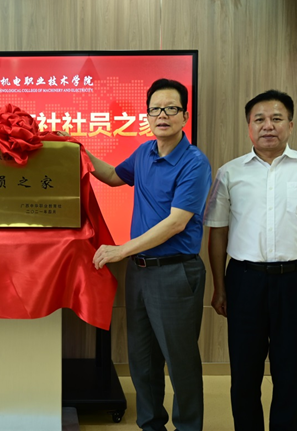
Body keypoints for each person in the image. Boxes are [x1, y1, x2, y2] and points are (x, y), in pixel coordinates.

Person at [205, 90, 297, 430]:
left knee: (291, 373)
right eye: (260, 119)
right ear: (249, 127)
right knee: (244, 374)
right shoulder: (229, 173)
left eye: (276, 118)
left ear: (290, 125)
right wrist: (220, 287)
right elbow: (217, 234)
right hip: (245, 281)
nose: (268, 126)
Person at [87, 78, 212, 431]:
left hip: (175, 272)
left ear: (184, 116)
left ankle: (188, 427)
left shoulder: (194, 163)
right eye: (155, 109)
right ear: (147, 115)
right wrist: (76, 150)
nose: (162, 115)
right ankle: (151, 424)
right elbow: (112, 176)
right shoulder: (144, 152)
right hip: (140, 272)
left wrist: (121, 250)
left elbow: (176, 223)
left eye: (171, 108)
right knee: (142, 360)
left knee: (180, 362)